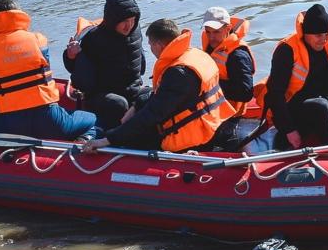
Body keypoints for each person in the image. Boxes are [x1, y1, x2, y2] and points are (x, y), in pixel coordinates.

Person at [82, 19, 237, 153]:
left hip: (195, 137)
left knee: (129, 140)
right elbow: (161, 97)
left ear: (159, 45)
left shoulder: (178, 73)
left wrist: (109, 139)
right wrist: (137, 104)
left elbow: (151, 114)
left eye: (151, 45)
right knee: (143, 96)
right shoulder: (196, 55)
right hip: (213, 123)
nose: (151, 49)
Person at [0, 0, 97, 140]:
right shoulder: (39, 41)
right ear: (19, 16)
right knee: (93, 120)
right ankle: (82, 144)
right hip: (50, 121)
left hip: (9, 125)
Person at [257, 4, 328, 150]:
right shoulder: (287, 50)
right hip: (293, 109)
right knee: (320, 105)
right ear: (305, 33)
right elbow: (275, 94)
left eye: (326, 34)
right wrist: (289, 130)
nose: (324, 39)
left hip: (321, 101)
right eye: (318, 35)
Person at [63, 0, 150, 129]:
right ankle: (110, 136)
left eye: (132, 20)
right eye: (124, 22)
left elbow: (141, 66)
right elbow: (76, 71)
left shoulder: (136, 31)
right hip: (102, 95)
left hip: (131, 88)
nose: (129, 26)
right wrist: (71, 56)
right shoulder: (93, 38)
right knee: (119, 104)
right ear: (113, 20)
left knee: (152, 94)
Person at [200, 6, 255, 115]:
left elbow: (246, 93)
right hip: (212, 107)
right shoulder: (211, 44)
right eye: (208, 32)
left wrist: (209, 85)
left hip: (230, 114)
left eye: (216, 32)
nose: (211, 37)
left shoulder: (238, 56)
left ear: (228, 28)